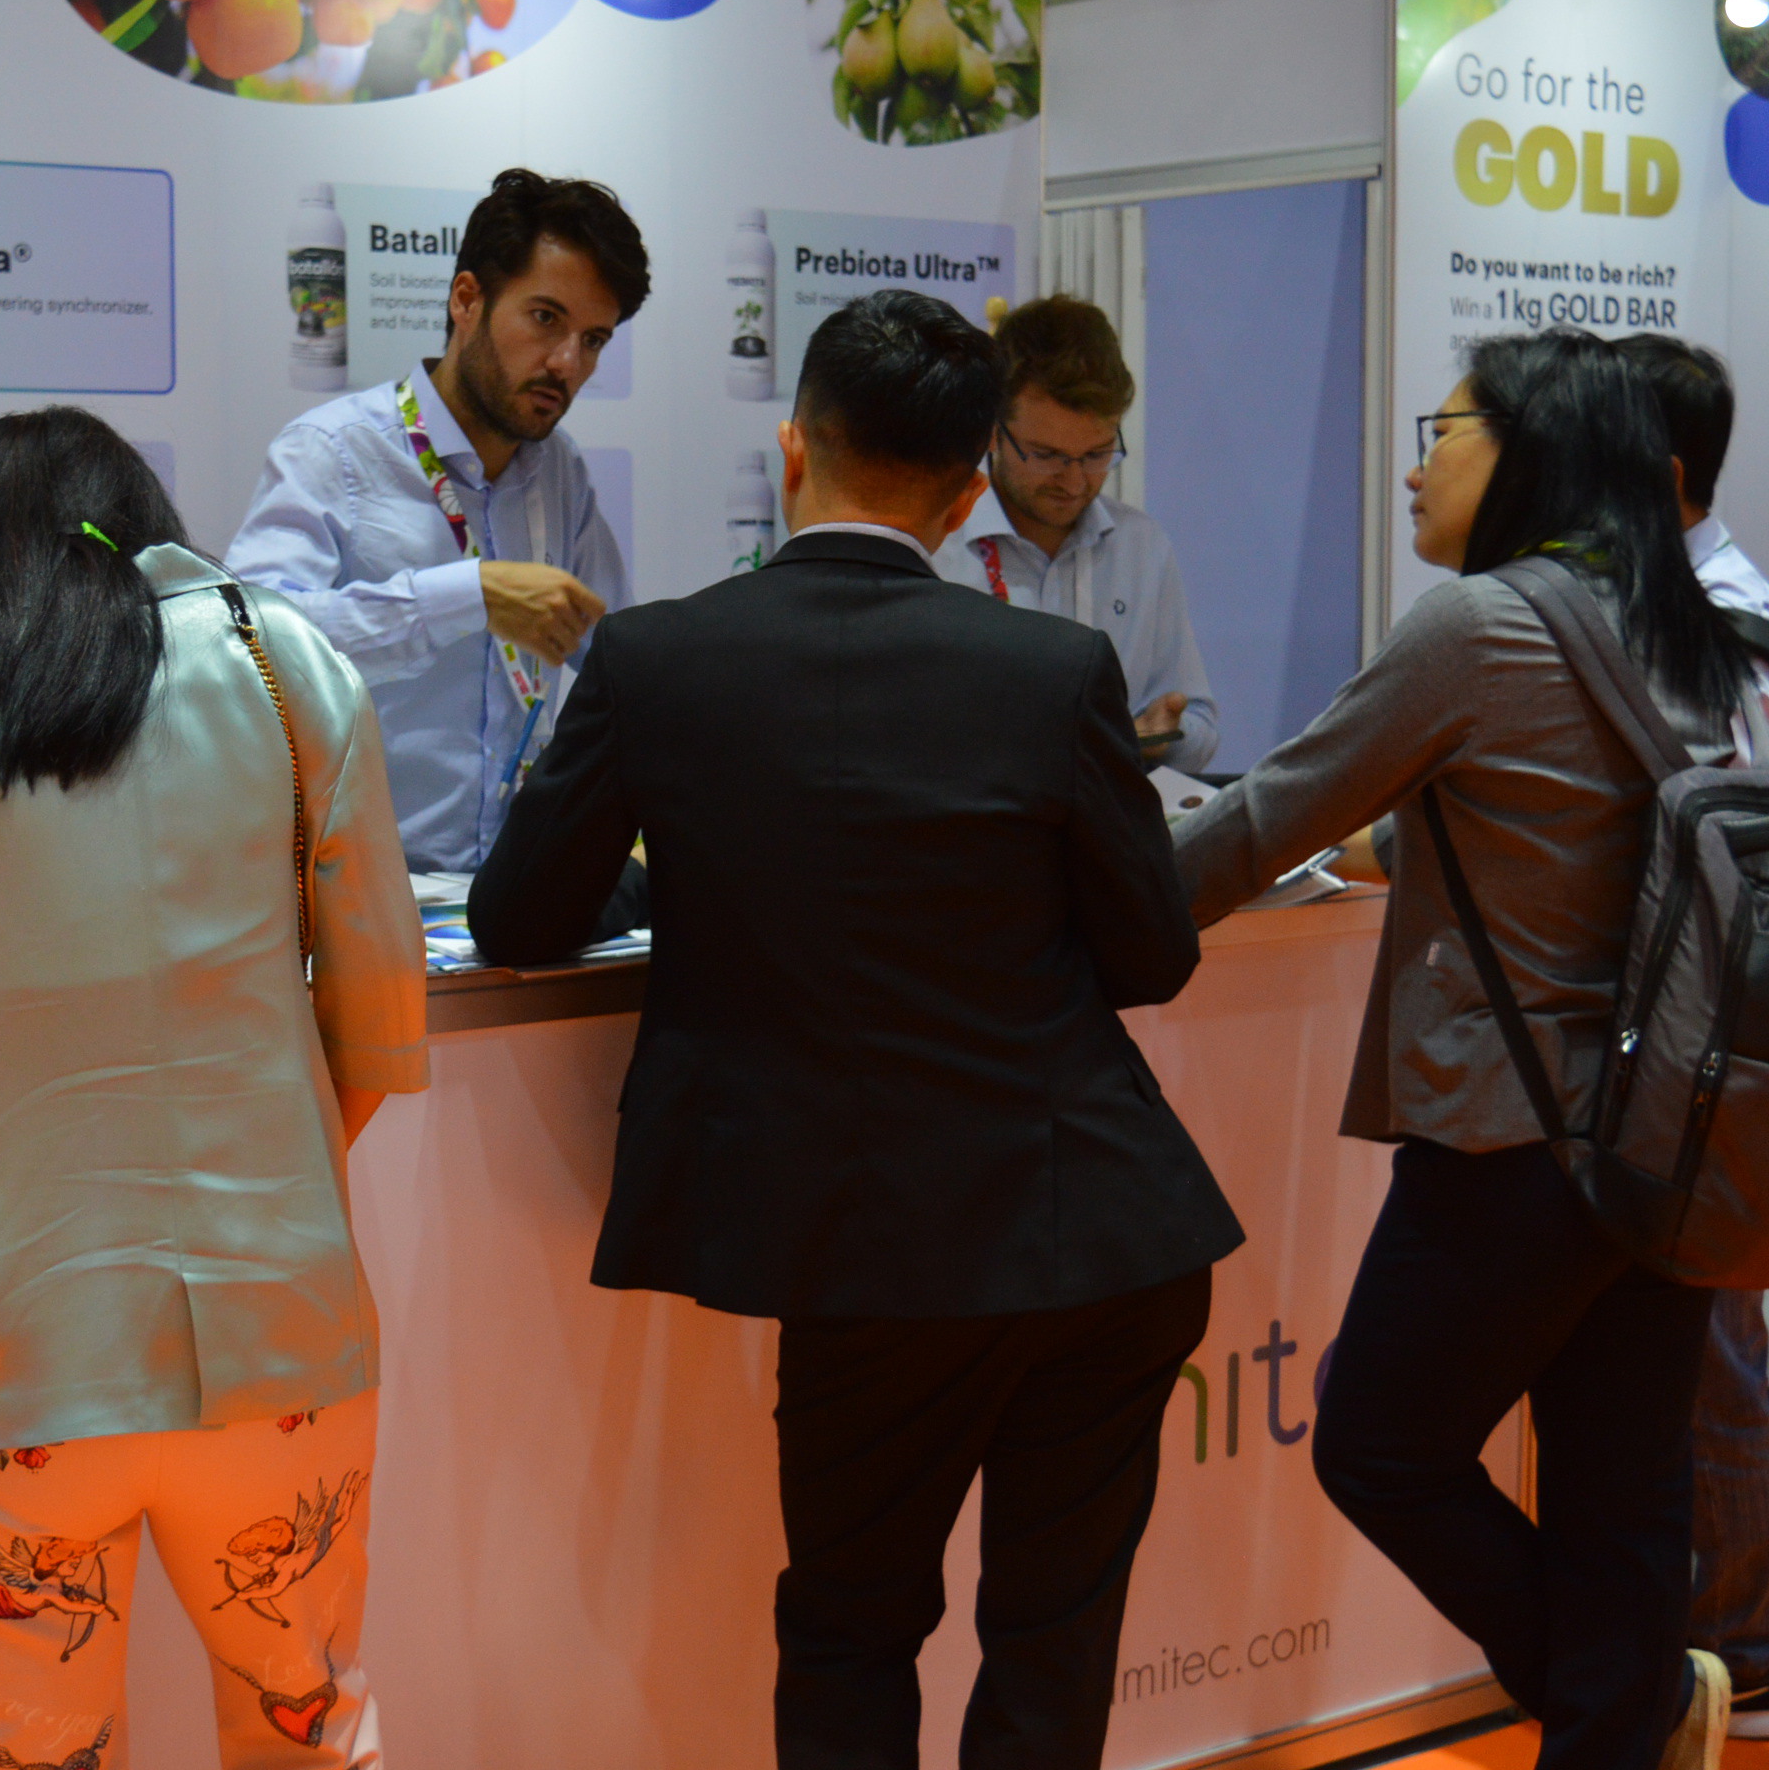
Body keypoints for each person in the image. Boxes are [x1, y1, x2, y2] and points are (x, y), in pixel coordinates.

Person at [468, 289, 1241, 1770]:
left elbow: (515, 915)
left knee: (848, 1630)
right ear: (962, 497)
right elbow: (1149, 955)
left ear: (790, 450)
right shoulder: (1051, 670)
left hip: (868, 1243)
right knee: (1054, 1642)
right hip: (1101, 1227)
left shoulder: (658, 660)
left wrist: (687, 869)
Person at [0, 409, 427, 1770]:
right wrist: (267, 1168)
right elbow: (376, 1028)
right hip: (276, 1333)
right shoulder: (285, 661)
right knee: (312, 1729)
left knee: (24, 1754)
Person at [1173, 331, 1766, 1770]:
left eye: (1441, 430)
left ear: (1528, 448)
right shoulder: (1674, 621)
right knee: (1620, 1484)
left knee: (1380, 1444)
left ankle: (1624, 1698)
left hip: (1514, 1132)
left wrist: (1077, 903)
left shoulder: (1480, 627)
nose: (1417, 465)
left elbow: (1261, 821)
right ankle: (1623, 1711)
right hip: (1664, 1131)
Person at [227, 167, 646, 873]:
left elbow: (616, 655)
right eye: (546, 319)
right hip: (354, 894)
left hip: (509, 891)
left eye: (594, 339)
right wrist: (466, 596)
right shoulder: (334, 451)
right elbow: (248, 650)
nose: (566, 363)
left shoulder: (559, 470)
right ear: (466, 300)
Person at [1619, 334, 1769, 1744]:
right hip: (1701, 1030)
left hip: (1713, 1039)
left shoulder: (1719, 619)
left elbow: (1728, 835)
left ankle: (1747, 1655)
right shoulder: (1692, 601)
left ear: (1659, 468)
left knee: (1712, 1350)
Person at [934, 294, 1220, 771]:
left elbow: (1200, 727)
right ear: (992, 431)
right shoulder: (936, 540)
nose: (1073, 482)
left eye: (1096, 455)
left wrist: (1159, 735)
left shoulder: (1141, 547)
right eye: (1047, 455)